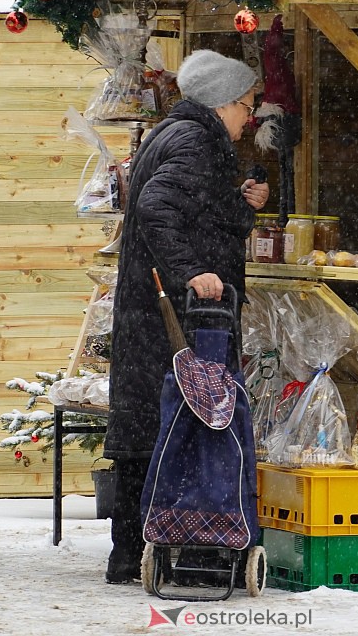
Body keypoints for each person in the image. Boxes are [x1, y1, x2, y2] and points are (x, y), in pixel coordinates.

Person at [103, 49, 269, 583]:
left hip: (150, 308)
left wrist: (240, 204)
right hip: (170, 314)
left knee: (146, 430)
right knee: (174, 424)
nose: (249, 119)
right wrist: (192, 271)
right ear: (223, 103)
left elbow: (196, 212)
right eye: (247, 107)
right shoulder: (198, 141)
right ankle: (170, 551)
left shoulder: (174, 134)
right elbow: (158, 206)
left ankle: (131, 551)